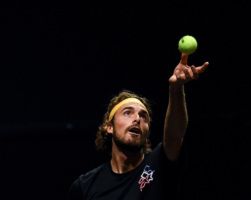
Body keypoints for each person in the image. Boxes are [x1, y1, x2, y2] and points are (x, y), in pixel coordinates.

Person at [67, 53, 209, 200]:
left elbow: (174, 136)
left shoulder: (159, 164)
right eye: (127, 113)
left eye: (143, 116)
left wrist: (176, 88)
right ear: (109, 127)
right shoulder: (85, 186)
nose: (137, 119)